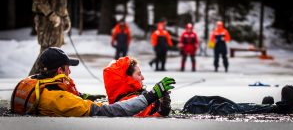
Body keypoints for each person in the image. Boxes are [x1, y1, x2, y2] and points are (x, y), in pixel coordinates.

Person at [11, 47, 175, 117]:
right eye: (68, 68)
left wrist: (88, 97)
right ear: (60, 71)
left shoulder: (35, 83)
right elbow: (108, 112)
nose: (70, 71)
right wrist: (151, 96)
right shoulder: (59, 99)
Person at [103, 56, 172, 117]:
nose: (143, 77)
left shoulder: (126, 98)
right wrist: (163, 110)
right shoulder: (128, 103)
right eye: (139, 74)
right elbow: (149, 120)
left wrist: (163, 104)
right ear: (128, 79)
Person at [29, 0, 71, 75]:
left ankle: (49, 81)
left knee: (56, 52)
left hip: (58, 21)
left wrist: (65, 17)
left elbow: (61, 1)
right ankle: (31, 80)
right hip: (46, 21)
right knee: (46, 53)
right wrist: (50, 14)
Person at [182, 85, 293, 115]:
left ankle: (264, 108)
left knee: (226, 104)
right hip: (193, 111)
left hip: (190, 106)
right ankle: (278, 109)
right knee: (227, 109)